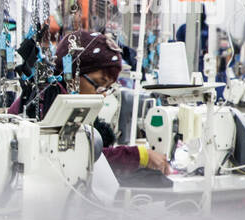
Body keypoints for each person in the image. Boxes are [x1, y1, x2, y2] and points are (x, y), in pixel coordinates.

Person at [13, 29, 170, 175]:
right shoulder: (48, 101)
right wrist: (140, 155)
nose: (101, 95)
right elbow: (77, 157)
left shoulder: (63, 101)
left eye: (107, 88)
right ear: (73, 75)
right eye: (98, 84)